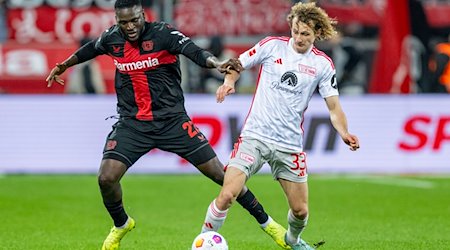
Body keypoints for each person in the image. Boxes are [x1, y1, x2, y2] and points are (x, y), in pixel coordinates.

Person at [45, 0, 288, 249]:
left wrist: (216, 64)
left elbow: (195, 52)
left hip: (172, 122)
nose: (129, 27)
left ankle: (268, 224)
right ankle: (121, 224)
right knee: (106, 178)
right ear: (117, 20)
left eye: (134, 20)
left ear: (143, 14)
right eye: (123, 22)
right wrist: (65, 64)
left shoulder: (163, 34)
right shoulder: (112, 38)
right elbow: (91, 49)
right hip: (133, 124)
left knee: (221, 175)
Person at [200, 2, 360, 250]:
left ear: (316, 33)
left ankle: (292, 241)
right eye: (295, 31)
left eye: (305, 33)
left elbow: (334, 107)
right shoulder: (271, 46)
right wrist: (230, 81)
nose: (298, 37)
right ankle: (202, 242)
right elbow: (237, 64)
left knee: (300, 211)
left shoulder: (322, 65)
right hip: (254, 137)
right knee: (227, 194)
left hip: (289, 145)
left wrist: (344, 132)